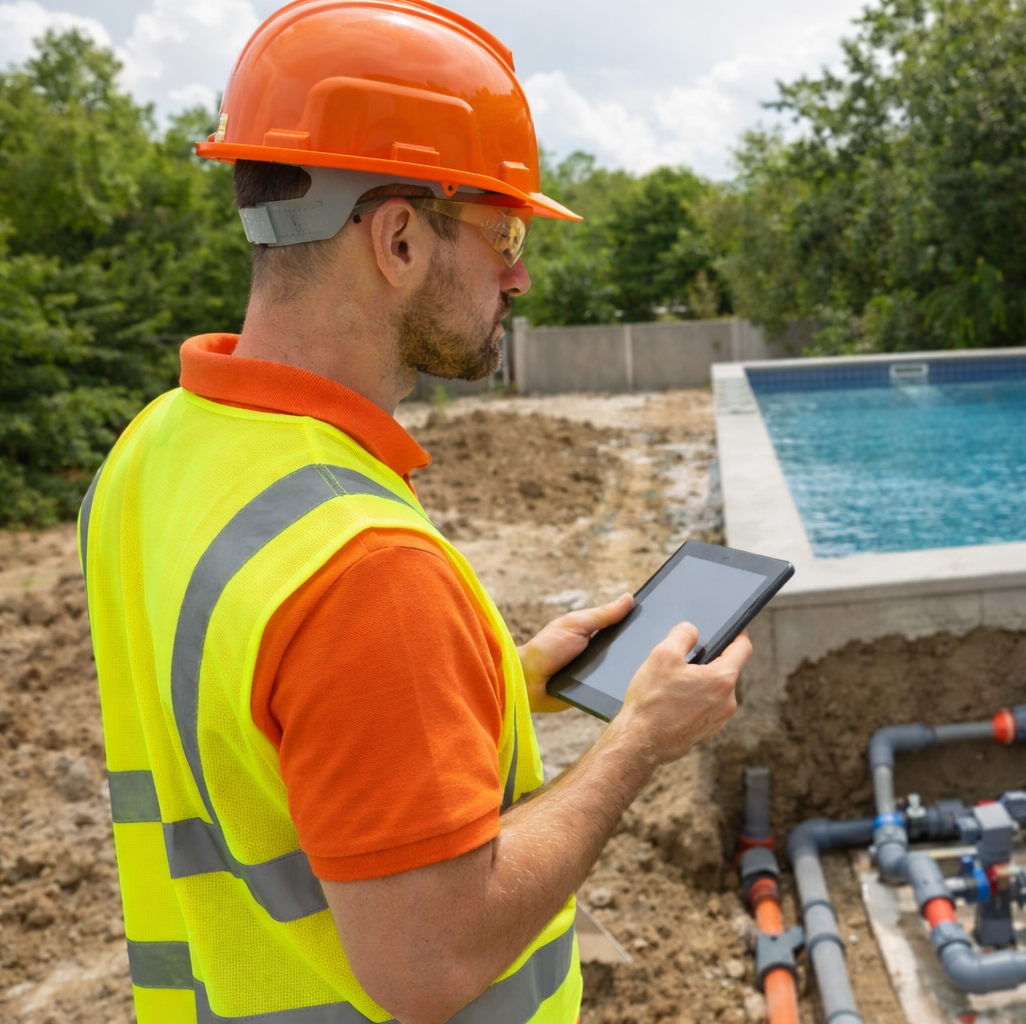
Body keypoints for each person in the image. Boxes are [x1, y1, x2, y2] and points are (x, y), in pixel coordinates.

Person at [77, 3, 748, 1023]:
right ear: (395, 237)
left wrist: (506, 682)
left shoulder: (153, 449)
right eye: (504, 230)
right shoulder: (365, 570)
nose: (518, 271)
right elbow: (432, 959)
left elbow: (270, 736)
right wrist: (638, 740)